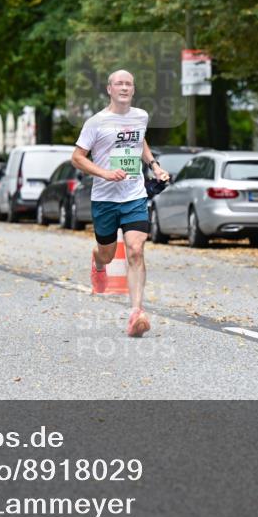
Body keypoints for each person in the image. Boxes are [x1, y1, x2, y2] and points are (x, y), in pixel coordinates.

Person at [71, 69, 170, 338]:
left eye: (128, 84)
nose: (124, 87)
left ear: (133, 90)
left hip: (134, 195)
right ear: (109, 89)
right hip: (104, 198)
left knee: (135, 250)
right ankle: (98, 261)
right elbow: (77, 157)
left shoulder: (141, 117)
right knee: (107, 252)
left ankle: (136, 312)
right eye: (119, 84)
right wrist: (104, 173)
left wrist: (154, 166)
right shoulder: (96, 122)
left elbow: (140, 142)